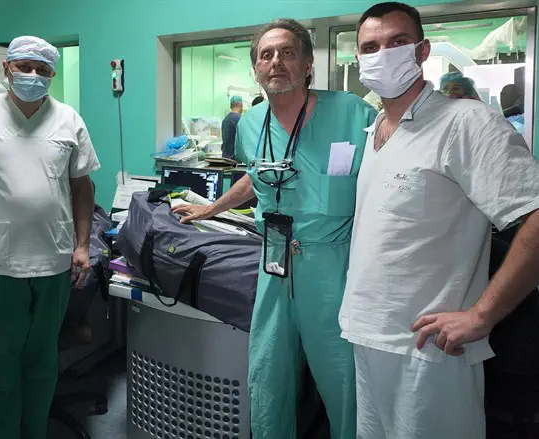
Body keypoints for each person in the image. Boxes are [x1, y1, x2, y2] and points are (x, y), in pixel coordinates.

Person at [340, 3, 539, 438]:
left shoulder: (464, 123)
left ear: (423, 50)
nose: (383, 54)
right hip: (368, 338)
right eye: (370, 47)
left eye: (397, 43)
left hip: (430, 352)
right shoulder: (376, 130)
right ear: (358, 60)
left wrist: (482, 315)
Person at [172, 19, 376, 439]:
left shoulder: (353, 113)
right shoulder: (250, 122)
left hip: (332, 264)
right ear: (256, 70)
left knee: (344, 380)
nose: (275, 62)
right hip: (275, 259)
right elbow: (259, 174)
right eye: (265, 55)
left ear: (307, 65)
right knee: (267, 374)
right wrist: (214, 207)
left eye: (286, 52)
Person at [0, 36, 100, 439]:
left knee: (42, 359)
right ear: (7, 68)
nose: (32, 76)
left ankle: (36, 431)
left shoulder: (69, 118)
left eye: (43, 70)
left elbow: (82, 186)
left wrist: (82, 246)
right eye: (24, 67)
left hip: (55, 258)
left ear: (52, 74)